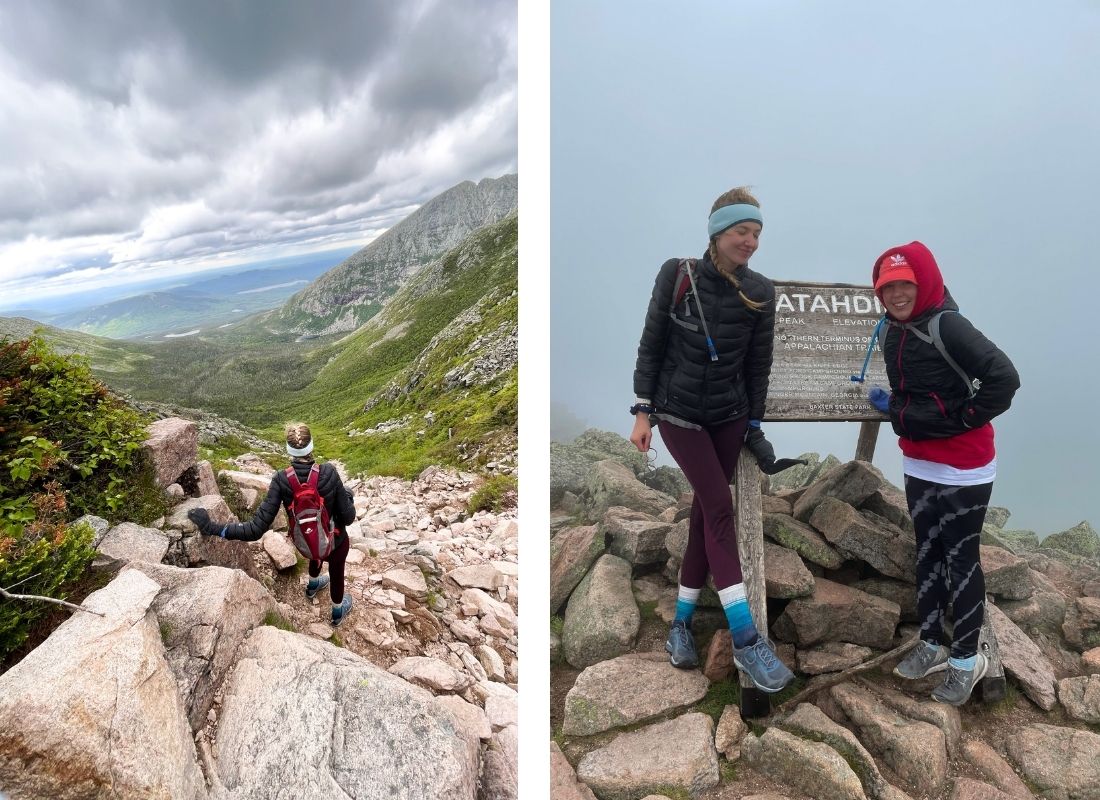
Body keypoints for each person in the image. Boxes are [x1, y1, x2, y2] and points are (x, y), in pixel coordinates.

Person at [629, 186, 802, 693]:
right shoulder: (677, 275)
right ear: (716, 231)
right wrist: (643, 411)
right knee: (720, 508)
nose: (749, 241)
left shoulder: (761, 292)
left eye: (756, 233)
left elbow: (757, 364)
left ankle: (680, 624)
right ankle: (747, 640)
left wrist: (754, 424)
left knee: (707, 513)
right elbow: (651, 342)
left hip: (729, 416)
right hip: (678, 415)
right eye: (740, 231)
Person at [865, 241, 1019, 706]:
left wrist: (959, 420)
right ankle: (932, 644)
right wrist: (893, 408)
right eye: (887, 286)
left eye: (905, 284)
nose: (896, 294)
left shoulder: (947, 325)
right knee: (928, 551)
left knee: (961, 559)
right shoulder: (894, 330)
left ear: (925, 282)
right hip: (918, 461)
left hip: (965, 467)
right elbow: (914, 398)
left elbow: (1004, 380)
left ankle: (967, 662)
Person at [188, 423, 358, 626]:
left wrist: (211, 527)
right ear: (311, 445)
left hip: (305, 542)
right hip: (335, 542)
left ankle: (313, 586)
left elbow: (255, 529)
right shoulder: (329, 472)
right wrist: (347, 497)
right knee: (336, 571)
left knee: (313, 540)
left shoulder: (281, 480)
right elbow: (348, 517)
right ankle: (337, 612)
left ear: (289, 450)